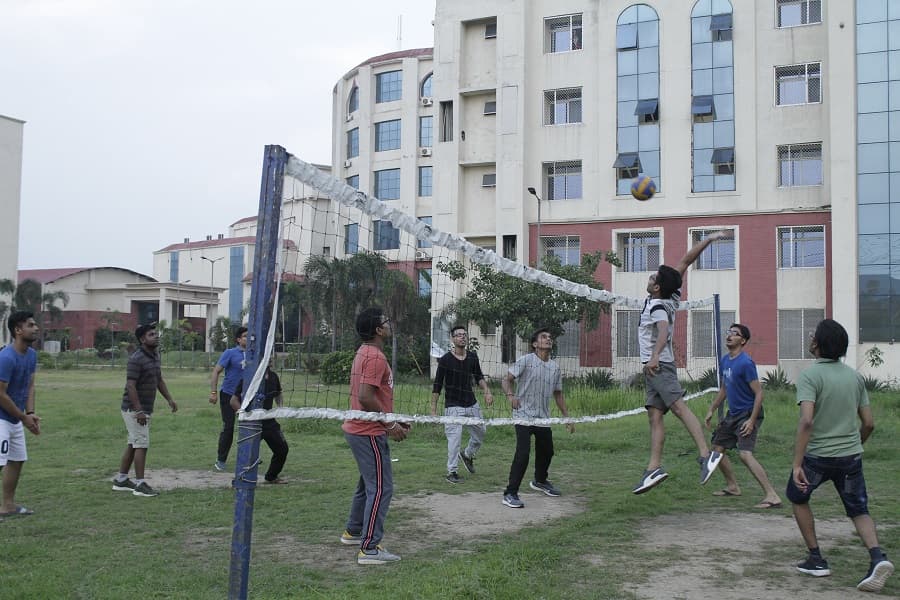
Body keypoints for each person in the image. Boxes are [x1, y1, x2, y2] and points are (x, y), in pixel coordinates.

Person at [787, 318, 894, 593]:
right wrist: (855, 445)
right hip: (850, 457)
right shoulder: (854, 377)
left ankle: (816, 558)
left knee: (797, 496)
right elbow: (869, 423)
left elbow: (806, 421)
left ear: (818, 344)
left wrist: (797, 464)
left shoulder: (810, 376)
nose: (811, 338)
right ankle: (877, 557)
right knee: (859, 509)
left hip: (818, 458)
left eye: (813, 335)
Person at [632, 231, 729, 495]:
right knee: (654, 416)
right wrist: (708, 240)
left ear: (657, 287)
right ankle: (653, 468)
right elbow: (685, 261)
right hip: (654, 369)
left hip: (658, 365)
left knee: (678, 408)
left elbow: (663, 330)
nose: (650, 277)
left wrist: (654, 356)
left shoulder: (658, 306)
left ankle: (706, 454)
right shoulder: (671, 295)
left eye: (653, 277)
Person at [340, 307, 408, 565]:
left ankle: (354, 531)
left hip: (361, 428)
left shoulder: (365, 352)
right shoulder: (375, 356)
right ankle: (369, 549)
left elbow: (373, 396)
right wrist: (390, 425)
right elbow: (365, 397)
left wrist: (393, 419)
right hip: (367, 431)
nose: (390, 324)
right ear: (379, 330)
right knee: (381, 488)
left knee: (367, 484)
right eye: (386, 321)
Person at [704, 323, 782, 508]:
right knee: (716, 450)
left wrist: (752, 420)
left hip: (748, 414)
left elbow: (759, 393)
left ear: (743, 340)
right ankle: (733, 487)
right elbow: (725, 388)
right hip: (733, 414)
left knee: (745, 455)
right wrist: (712, 409)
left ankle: (772, 495)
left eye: (735, 333)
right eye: (729, 332)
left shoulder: (746, 363)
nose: (730, 335)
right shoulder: (725, 360)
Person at [499, 328, 574, 509]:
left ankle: (540, 481)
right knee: (523, 453)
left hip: (542, 418)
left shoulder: (555, 367)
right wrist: (510, 396)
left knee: (547, 451)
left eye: (550, 337)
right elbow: (506, 380)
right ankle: (510, 493)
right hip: (523, 415)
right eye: (543, 337)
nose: (548, 339)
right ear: (535, 344)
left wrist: (567, 418)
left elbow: (558, 394)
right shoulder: (526, 360)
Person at [112, 323, 177, 497]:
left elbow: (159, 379)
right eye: (151, 334)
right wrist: (139, 411)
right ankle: (140, 484)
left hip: (144, 408)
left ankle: (121, 479)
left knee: (134, 443)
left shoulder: (155, 356)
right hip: (134, 409)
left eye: (156, 334)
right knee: (141, 444)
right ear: (142, 339)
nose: (156, 336)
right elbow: (130, 386)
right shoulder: (137, 358)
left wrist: (169, 399)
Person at [431, 325, 494, 484]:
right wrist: (433, 409)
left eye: (464, 334)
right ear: (452, 339)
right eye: (458, 335)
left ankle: (467, 455)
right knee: (454, 440)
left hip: (471, 404)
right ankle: (452, 472)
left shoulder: (472, 357)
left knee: (481, 433)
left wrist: (487, 391)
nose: (462, 337)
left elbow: (479, 377)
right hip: (453, 406)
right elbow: (437, 385)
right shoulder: (445, 360)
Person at [0, 312, 40, 517]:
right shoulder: (6, 357)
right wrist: (24, 418)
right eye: (30, 325)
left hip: (15, 418)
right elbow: (0, 394)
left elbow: (30, 385)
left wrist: (30, 413)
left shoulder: (31, 355)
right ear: (17, 330)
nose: (36, 328)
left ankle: (7, 506)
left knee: (16, 460)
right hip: (1, 418)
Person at [230, 360, 289, 484]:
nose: (269, 360)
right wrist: (244, 415)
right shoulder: (249, 377)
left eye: (269, 357)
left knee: (282, 449)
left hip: (269, 421)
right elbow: (233, 401)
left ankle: (271, 477)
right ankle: (240, 480)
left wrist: (280, 408)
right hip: (252, 422)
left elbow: (278, 394)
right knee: (247, 453)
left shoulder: (273, 376)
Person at [210, 326, 248, 471]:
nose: (248, 339)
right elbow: (216, 372)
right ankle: (221, 460)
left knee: (250, 426)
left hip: (247, 396)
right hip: (228, 395)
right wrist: (213, 392)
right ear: (238, 339)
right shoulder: (230, 353)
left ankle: (248, 457)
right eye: (245, 336)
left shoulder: (254, 354)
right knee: (229, 427)